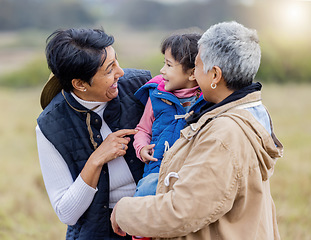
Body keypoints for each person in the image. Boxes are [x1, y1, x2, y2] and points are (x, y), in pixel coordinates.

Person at [111, 21, 283, 240]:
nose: (194, 73)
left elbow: (184, 209)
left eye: (198, 65)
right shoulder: (246, 113)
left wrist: (126, 212)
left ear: (215, 76)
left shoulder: (224, 134)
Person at [36, 28, 152, 240]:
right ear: (79, 84)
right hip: (99, 232)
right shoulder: (50, 125)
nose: (121, 73)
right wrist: (97, 159)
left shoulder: (142, 87)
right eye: (109, 70)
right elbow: (67, 213)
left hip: (154, 218)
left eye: (117, 61)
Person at [131, 33, 206, 240]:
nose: (162, 71)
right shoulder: (156, 96)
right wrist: (141, 147)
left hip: (189, 172)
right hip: (158, 169)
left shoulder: (206, 99)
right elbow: (142, 129)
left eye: (169, 65)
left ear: (192, 73)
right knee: (145, 195)